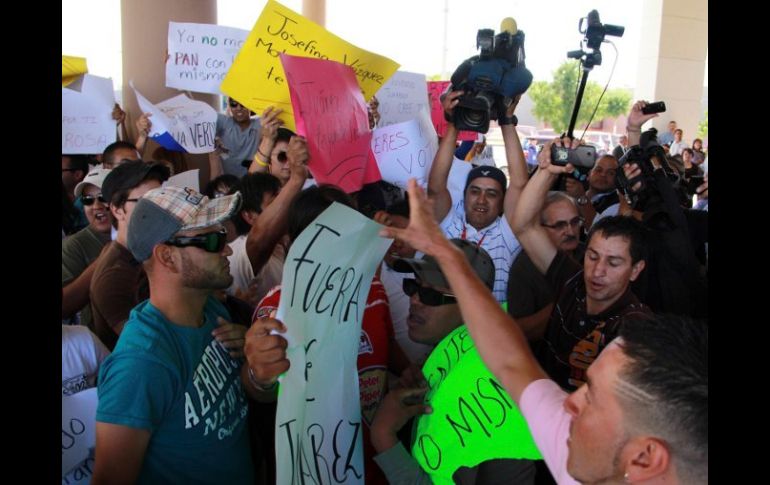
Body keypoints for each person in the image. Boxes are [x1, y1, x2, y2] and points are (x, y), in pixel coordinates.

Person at [379, 179, 707, 485]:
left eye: (591, 397)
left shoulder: (633, 327)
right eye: (592, 256)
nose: (566, 400)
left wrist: (383, 439)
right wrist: (447, 256)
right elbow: (510, 360)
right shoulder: (590, 441)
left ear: (644, 459)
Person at [93, 185, 266, 484]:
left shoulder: (211, 309)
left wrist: (258, 370)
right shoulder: (141, 364)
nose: (226, 248)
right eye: (212, 240)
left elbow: (242, 395)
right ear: (167, 257)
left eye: (223, 235)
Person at [246, 185, 411, 485]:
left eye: (345, 230)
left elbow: (386, 345)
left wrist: (410, 370)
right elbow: (264, 388)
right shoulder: (275, 309)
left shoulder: (373, 291)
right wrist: (259, 375)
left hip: (378, 464)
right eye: (321, 234)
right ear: (296, 244)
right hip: (315, 471)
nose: (335, 244)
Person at [370, 239, 536, 484]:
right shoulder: (449, 359)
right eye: (413, 287)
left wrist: (384, 435)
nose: (415, 300)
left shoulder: (484, 382)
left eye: (431, 295)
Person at [510, 137, 651, 391]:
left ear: (636, 269)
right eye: (593, 256)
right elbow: (523, 226)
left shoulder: (636, 327)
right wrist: (546, 171)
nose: (597, 271)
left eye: (614, 262)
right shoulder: (573, 280)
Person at [428, 90, 528, 303]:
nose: (481, 200)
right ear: (464, 196)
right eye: (475, 191)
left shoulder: (507, 233)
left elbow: (519, 184)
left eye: (492, 194)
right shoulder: (450, 223)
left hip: (489, 332)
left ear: (503, 202)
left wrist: (506, 121)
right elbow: (436, 187)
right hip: (447, 329)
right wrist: (454, 124)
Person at [89, 161, 170, 350]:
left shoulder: (152, 249)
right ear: (117, 210)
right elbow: (147, 345)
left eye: (161, 199)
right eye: (146, 202)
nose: (158, 209)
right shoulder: (113, 276)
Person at [506, 191, 585, 340]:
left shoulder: (591, 256)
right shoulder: (524, 267)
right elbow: (518, 331)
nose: (570, 231)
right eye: (560, 225)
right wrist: (565, 302)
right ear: (540, 230)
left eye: (575, 222)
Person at [62, 168, 113, 328]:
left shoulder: (141, 236)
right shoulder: (73, 245)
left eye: (103, 197)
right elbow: (64, 307)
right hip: (97, 343)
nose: (96, 205)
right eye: (87, 200)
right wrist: (105, 259)